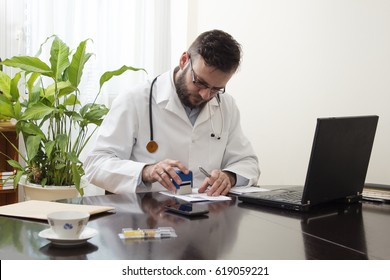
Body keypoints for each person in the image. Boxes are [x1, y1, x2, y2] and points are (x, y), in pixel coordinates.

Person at [84, 29, 260, 195]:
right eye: (200, 82)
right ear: (184, 60)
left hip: (206, 215)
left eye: (216, 89)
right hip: (148, 216)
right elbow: (96, 164)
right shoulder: (135, 99)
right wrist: (146, 171)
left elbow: (248, 163)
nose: (206, 94)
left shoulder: (225, 105)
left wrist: (229, 176)